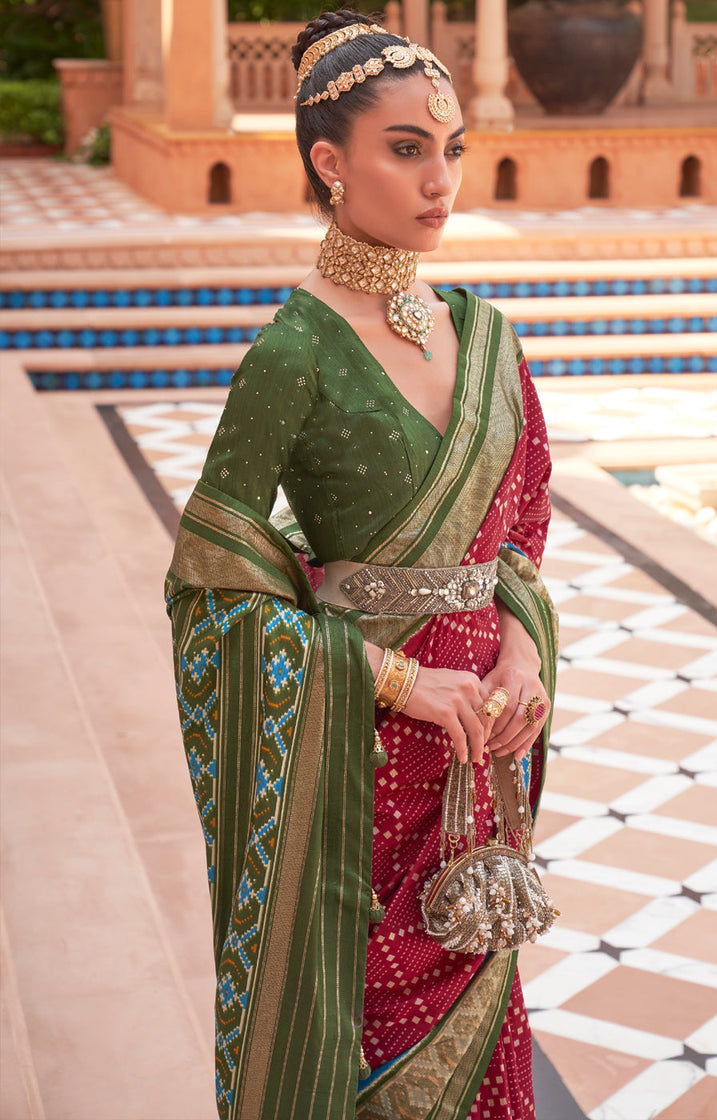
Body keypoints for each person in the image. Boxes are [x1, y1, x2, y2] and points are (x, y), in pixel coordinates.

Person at [166, 9, 557, 1119]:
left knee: (486, 1000)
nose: (440, 181)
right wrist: (393, 681)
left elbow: (520, 528)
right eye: (405, 149)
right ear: (328, 164)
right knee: (362, 1048)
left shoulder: (485, 335)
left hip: (485, 750)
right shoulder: (291, 353)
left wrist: (523, 651)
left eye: (451, 151)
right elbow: (212, 596)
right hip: (359, 770)